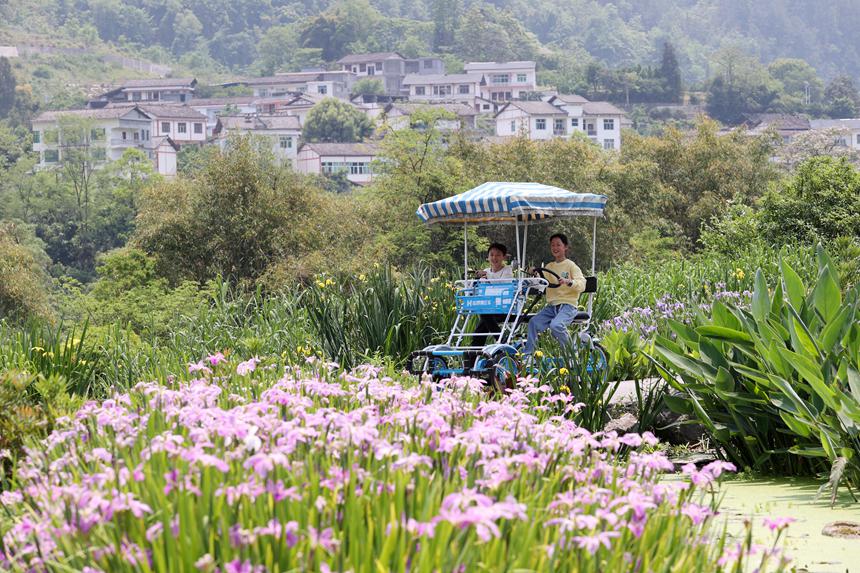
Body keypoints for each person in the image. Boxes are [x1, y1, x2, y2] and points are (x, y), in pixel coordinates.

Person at [523, 233, 586, 356]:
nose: (555, 248)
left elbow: (582, 284)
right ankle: (528, 356)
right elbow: (541, 280)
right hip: (552, 307)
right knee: (533, 323)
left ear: (565, 247)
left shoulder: (571, 266)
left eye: (558, 245)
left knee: (556, 325)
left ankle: (571, 354)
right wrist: (533, 272)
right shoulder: (549, 266)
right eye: (552, 245)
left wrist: (569, 282)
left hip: (568, 306)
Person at [472, 243, 513, 347]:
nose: (494, 258)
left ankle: (500, 339)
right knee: (483, 322)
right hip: (489, 307)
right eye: (492, 255)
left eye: (498, 255)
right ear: (488, 257)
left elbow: (503, 283)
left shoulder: (507, 270)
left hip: (503, 307)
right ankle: (474, 352)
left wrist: (487, 276)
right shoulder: (486, 271)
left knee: (484, 316)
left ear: (504, 257)